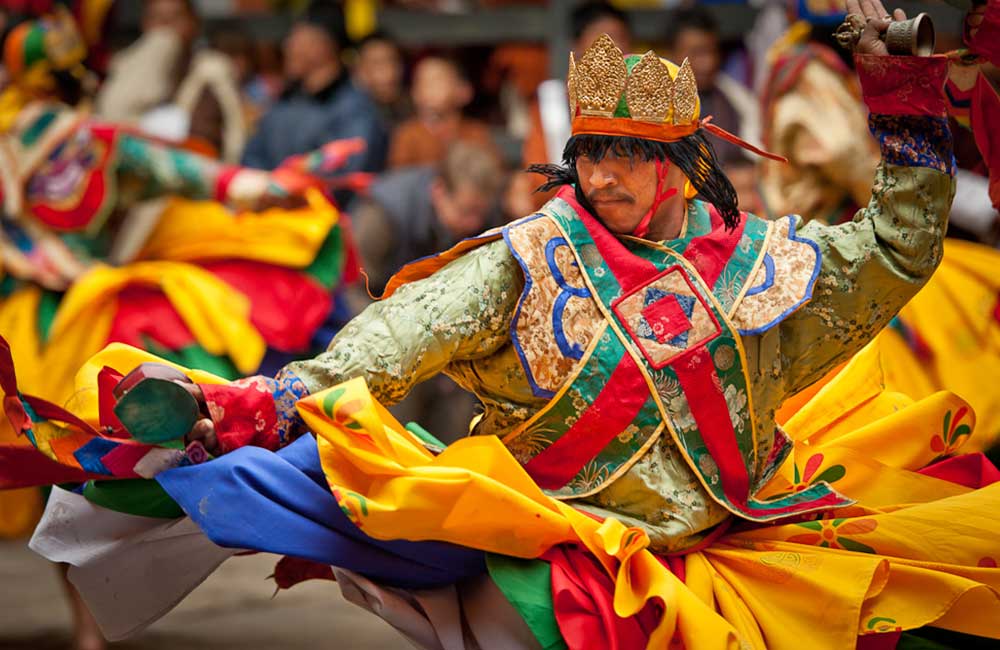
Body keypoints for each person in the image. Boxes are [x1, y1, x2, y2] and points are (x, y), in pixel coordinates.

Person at [8, 3, 1000, 648]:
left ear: (678, 166)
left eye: (624, 153)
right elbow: (395, 341)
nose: (602, 174)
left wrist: (900, 89)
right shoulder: (521, 261)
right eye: (589, 153)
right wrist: (277, 395)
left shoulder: (765, 270)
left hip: (739, 552)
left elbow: (899, 247)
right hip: (566, 572)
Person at [505, 0, 631, 217]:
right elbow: (540, 181)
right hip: (569, 216)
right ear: (578, 45)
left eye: (620, 38)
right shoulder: (551, 104)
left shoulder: (639, 103)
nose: (613, 48)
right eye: (602, 38)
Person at [241, 1, 387, 178]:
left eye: (296, 37)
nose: (288, 45)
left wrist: (284, 190)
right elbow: (252, 157)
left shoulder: (355, 110)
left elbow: (344, 176)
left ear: (324, 45)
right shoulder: (284, 102)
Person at [95, 0, 246, 162]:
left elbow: (207, 139)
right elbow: (110, 119)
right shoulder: (124, 66)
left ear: (195, 23)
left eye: (175, 18)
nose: (165, 27)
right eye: (156, 19)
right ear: (144, 25)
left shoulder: (211, 71)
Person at [665, 7, 760, 171]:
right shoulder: (654, 105)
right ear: (672, 53)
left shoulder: (737, 101)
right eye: (697, 53)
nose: (708, 63)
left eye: (712, 51)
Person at [386, 54, 501, 169]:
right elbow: (398, 180)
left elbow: (491, 175)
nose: (428, 87)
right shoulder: (407, 135)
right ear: (414, 93)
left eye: (437, 80)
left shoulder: (476, 133)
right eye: (422, 82)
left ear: (464, 92)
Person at [353, 30, 411, 134]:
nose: (389, 72)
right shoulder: (346, 117)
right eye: (377, 64)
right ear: (359, 70)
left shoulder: (412, 108)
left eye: (393, 61)